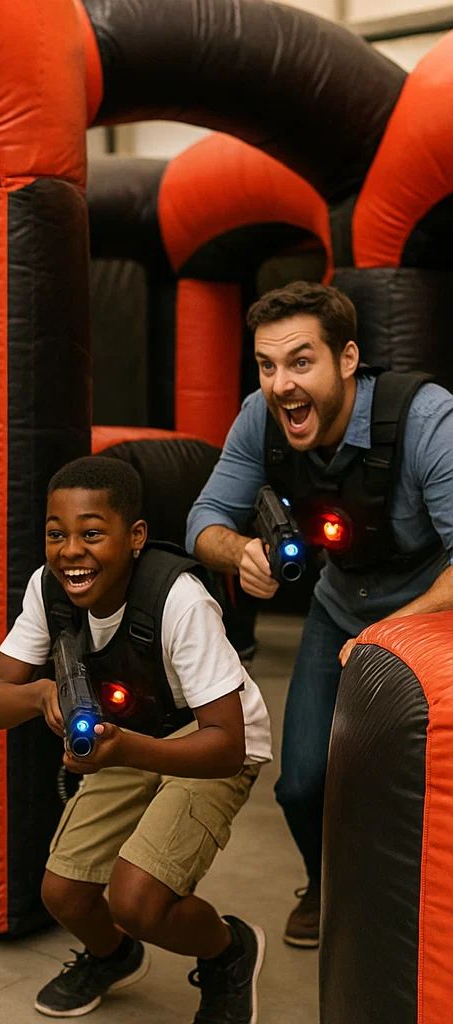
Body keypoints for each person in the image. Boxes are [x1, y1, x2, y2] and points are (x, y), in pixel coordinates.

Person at [186, 281, 453, 949]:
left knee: (414, 787)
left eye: (300, 362)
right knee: (301, 785)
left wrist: (391, 634)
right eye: (267, 365)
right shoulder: (260, 415)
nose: (281, 385)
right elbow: (202, 520)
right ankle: (321, 882)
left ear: (347, 359)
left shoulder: (428, 419)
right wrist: (241, 552)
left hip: (431, 615)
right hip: (340, 607)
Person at [0, 456, 272, 1021]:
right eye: (56, 534)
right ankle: (114, 956)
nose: (71, 551)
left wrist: (127, 750)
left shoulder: (180, 600)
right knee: (63, 893)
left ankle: (228, 951)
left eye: (91, 534)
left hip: (209, 739)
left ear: (135, 536)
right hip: (132, 732)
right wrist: (41, 694)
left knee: (137, 902)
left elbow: (227, 744)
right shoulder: (49, 590)